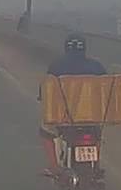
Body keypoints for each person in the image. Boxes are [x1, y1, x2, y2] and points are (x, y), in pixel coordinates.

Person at [38, 33, 107, 177]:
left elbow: (46, 88)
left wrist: (42, 97)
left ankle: (54, 167)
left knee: (45, 132)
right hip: (91, 116)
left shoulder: (56, 66)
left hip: (64, 117)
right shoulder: (97, 66)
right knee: (97, 134)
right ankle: (96, 164)